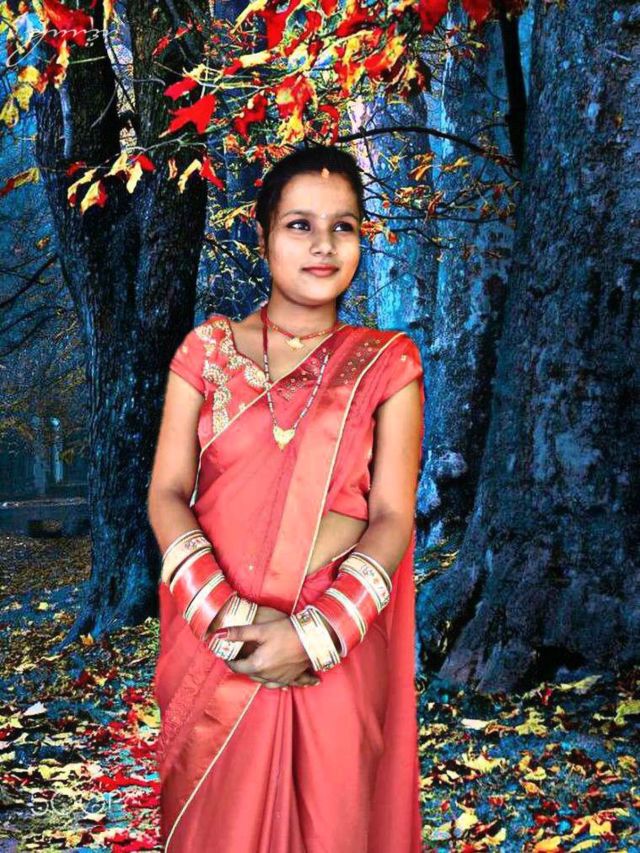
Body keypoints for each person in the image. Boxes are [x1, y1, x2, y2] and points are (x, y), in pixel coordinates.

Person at [148, 143, 425, 852]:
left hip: (334, 648)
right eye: (301, 224)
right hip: (216, 645)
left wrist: (315, 635)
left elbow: (393, 516)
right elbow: (167, 492)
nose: (323, 245)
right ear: (265, 234)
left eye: (344, 226)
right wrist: (230, 620)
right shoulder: (204, 353)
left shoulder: (387, 364)